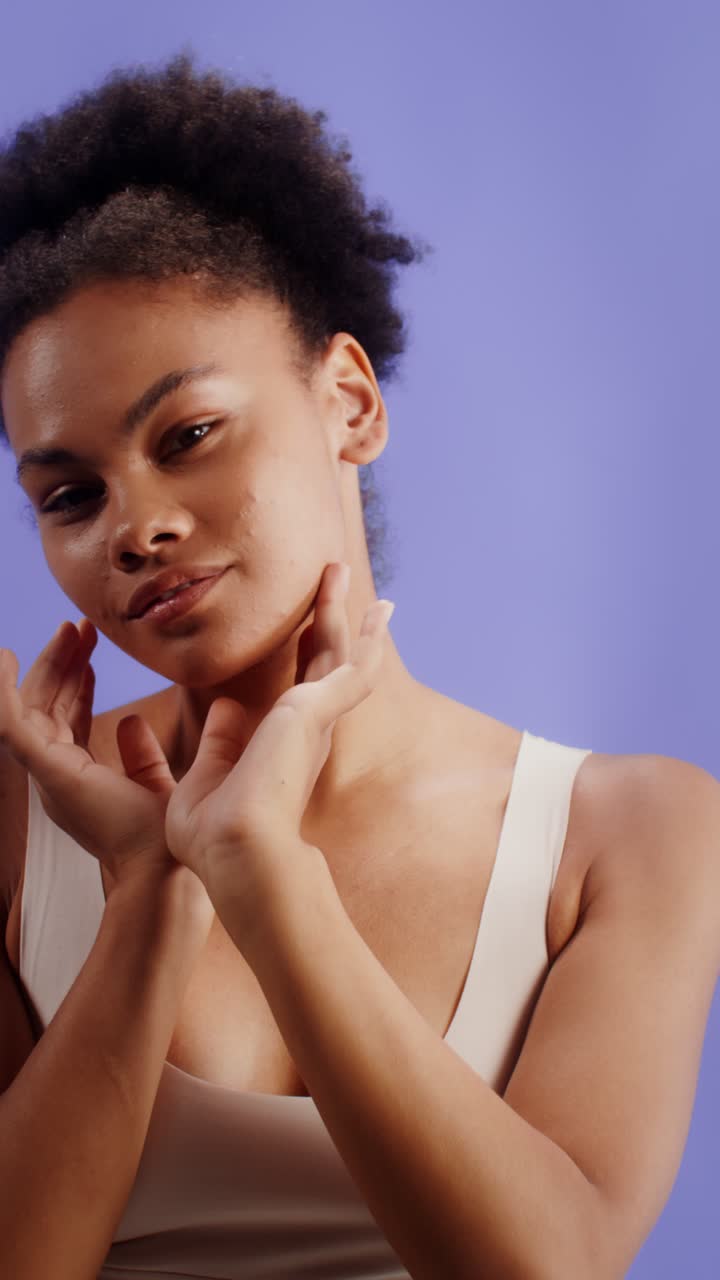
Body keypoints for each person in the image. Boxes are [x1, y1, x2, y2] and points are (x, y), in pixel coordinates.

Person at [0, 50, 718, 1280]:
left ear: (349, 400)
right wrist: (147, 892)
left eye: (188, 434)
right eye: (71, 494)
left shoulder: (631, 828)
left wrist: (260, 869)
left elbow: (549, 1266)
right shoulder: (22, 821)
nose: (136, 527)